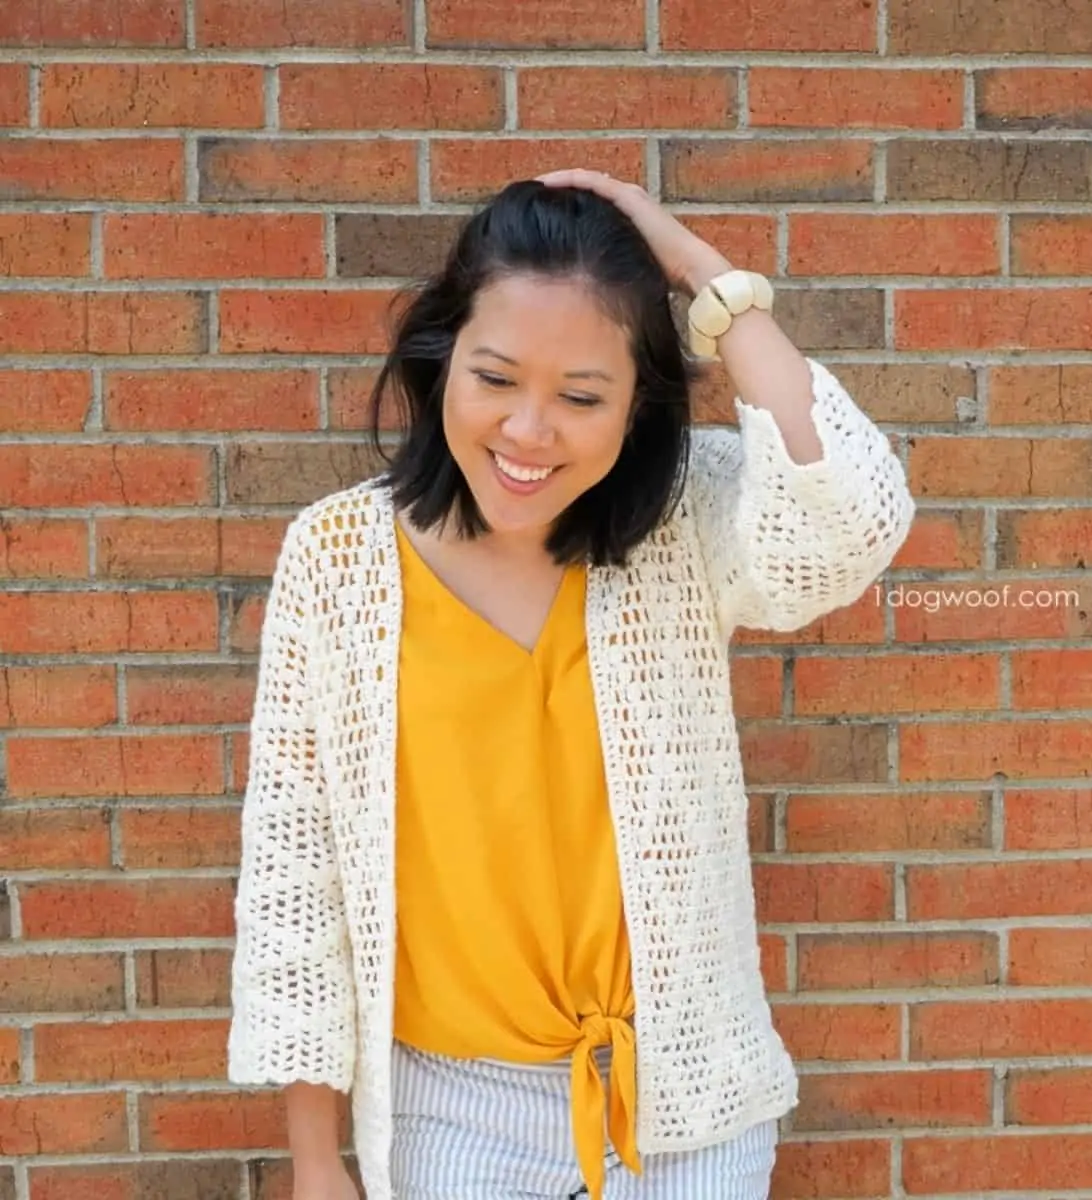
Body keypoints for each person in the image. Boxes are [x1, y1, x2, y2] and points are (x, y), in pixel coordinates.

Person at [227, 169, 915, 1200]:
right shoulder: (337, 559)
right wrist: (317, 1161)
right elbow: (296, 872)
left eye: (582, 396)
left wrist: (697, 273)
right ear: (441, 359)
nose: (527, 433)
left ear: (640, 405)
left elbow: (855, 518)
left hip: (686, 1116)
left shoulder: (683, 524)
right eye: (495, 378)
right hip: (450, 1114)